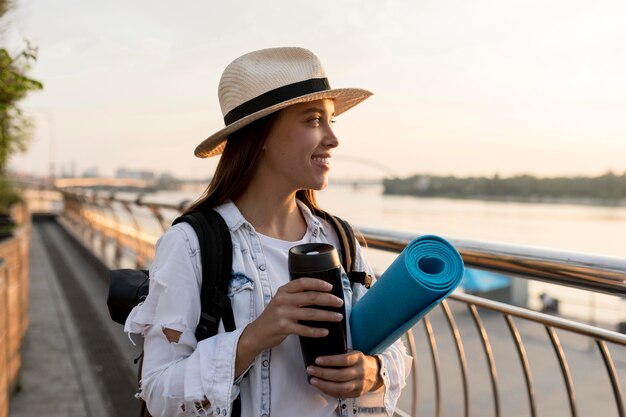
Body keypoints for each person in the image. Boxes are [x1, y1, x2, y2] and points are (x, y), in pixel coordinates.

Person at [125, 47, 412, 417]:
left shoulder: (340, 238)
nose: (332, 139)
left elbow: (393, 349)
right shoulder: (191, 244)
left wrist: (372, 372)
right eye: (312, 120)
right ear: (260, 135)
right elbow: (159, 392)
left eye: (331, 122)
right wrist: (254, 336)